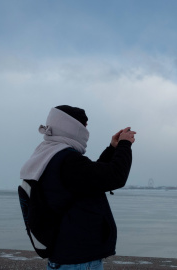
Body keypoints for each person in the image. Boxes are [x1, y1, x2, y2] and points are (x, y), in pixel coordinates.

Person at [20, 105, 136, 270]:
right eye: (85, 126)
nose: (87, 131)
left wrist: (112, 149)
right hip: (79, 260)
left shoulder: (47, 155)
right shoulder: (67, 160)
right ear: (74, 127)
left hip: (64, 255)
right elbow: (114, 177)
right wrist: (125, 145)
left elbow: (91, 180)